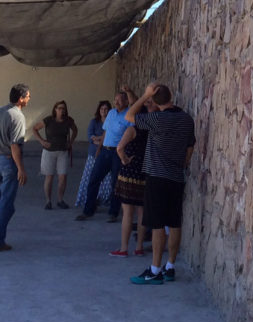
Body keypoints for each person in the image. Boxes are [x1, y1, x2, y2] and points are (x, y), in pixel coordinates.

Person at [126, 83, 195, 285]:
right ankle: (170, 266)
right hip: (177, 177)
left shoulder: (157, 119)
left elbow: (129, 116)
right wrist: (183, 163)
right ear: (170, 96)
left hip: (157, 177)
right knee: (174, 222)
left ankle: (155, 270)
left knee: (157, 224)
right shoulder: (186, 119)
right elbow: (190, 146)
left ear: (154, 101)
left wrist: (144, 95)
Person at [0, 84, 31, 251]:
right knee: (6, 204)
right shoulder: (17, 117)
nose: (29, 99)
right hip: (9, 162)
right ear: (21, 99)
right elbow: (15, 145)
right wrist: (21, 169)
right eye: (28, 96)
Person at [76, 86, 136, 222]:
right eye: (115, 100)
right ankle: (88, 210)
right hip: (105, 151)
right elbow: (105, 132)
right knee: (94, 179)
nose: (116, 102)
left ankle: (113, 213)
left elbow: (131, 135)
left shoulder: (129, 115)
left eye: (120, 100)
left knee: (116, 183)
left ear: (126, 102)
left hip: (118, 153)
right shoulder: (111, 113)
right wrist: (99, 150)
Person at [109, 98, 153, 258]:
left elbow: (119, 148)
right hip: (145, 172)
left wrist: (125, 159)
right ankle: (139, 247)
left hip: (129, 173)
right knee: (142, 212)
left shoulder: (132, 129)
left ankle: (124, 248)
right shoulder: (152, 130)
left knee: (127, 212)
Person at [33, 100, 77, 209]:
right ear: (55, 109)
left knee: (63, 176)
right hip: (49, 152)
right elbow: (35, 128)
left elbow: (75, 130)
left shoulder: (68, 120)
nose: (62, 110)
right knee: (49, 176)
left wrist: (70, 142)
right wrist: (42, 141)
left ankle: (60, 200)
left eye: (63, 108)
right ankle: (48, 201)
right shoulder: (49, 120)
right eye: (59, 108)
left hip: (63, 151)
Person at [76, 100, 114, 208]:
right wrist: (100, 139)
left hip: (106, 154)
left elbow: (110, 136)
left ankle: (103, 200)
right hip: (94, 154)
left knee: (106, 179)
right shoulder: (94, 122)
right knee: (90, 177)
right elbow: (90, 136)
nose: (103, 111)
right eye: (102, 109)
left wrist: (98, 138)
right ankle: (88, 200)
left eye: (106, 109)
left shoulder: (112, 122)